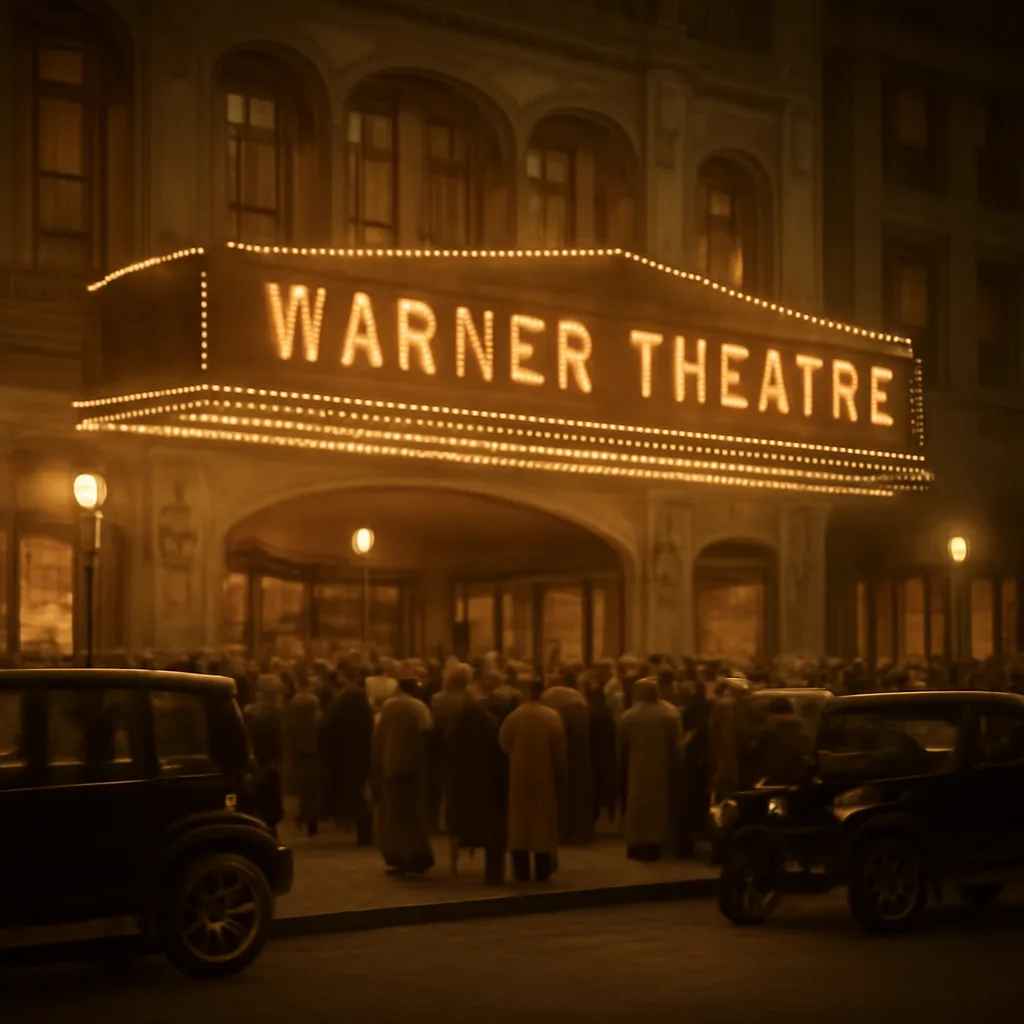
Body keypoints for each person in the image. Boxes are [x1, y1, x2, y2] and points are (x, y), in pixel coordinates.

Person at [499, 679, 567, 883]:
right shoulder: (551, 717)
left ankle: (521, 871)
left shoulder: (514, 716)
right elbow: (559, 751)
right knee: (542, 825)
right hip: (543, 776)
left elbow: (503, 744)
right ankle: (542, 869)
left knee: (520, 824)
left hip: (518, 777)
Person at [372, 677, 434, 875]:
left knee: (393, 814)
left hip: (390, 765)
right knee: (413, 813)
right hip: (415, 768)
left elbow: (377, 738)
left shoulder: (387, 709)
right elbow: (429, 732)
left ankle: (396, 855)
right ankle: (416, 854)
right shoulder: (418, 708)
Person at [445, 692, 508, 884]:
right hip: (488, 787)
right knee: (494, 832)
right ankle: (494, 873)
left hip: (462, 789)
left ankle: (455, 865)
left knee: (460, 828)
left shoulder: (457, 731)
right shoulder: (492, 727)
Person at [619, 678, 682, 861]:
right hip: (661, 771)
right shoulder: (669, 715)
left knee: (637, 810)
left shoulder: (629, 717)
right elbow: (676, 749)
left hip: (636, 771)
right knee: (658, 810)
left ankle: (636, 845)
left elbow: (622, 749)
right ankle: (655, 845)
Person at [320, 670, 375, 846]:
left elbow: (326, 732)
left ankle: (356, 825)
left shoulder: (337, 712)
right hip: (362, 757)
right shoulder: (365, 714)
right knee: (362, 793)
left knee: (353, 793)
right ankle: (364, 830)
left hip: (344, 759)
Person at [542, 671, 594, 845]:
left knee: (557, 789)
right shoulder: (579, 699)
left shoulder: (548, 697)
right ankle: (578, 830)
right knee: (577, 789)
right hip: (579, 749)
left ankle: (557, 830)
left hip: (553, 748)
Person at [244, 674, 285, 835]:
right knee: (270, 808)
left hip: (258, 764)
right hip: (268, 765)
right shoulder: (274, 715)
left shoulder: (251, 712)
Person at [285, 675, 321, 837]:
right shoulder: (314, 701)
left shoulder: (293, 703)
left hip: (299, 749)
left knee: (303, 785)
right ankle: (312, 818)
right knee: (313, 785)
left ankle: (304, 814)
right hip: (314, 748)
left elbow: (290, 729)